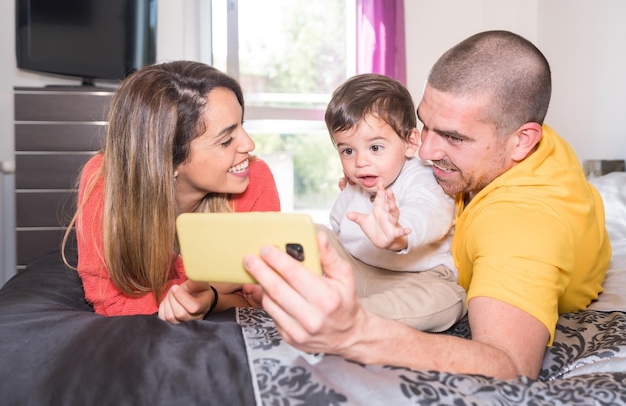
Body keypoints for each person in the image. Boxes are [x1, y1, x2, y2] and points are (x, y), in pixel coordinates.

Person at [241, 30, 611, 379]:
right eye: (426, 125)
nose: (428, 152)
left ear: (522, 142)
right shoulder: (508, 125)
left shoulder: (521, 225)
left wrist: (356, 334)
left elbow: (510, 364)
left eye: (452, 137)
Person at [62, 60, 281, 324]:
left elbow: (259, 300)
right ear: (169, 160)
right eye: (225, 140)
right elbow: (111, 303)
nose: (250, 144)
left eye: (242, 125)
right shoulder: (103, 180)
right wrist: (216, 289)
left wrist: (211, 297)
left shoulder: (254, 178)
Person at [323, 73, 466, 330]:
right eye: (348, 150)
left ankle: (355, 313)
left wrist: (397, 234)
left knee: (447, 300)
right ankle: (323, 296)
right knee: (314, 234)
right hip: (359, 269)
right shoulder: (357, 181)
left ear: (410, 143)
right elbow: (338, 225)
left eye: (375, 148)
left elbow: (429, 214)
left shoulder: (422, 176)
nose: (360, 161)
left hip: (417, 278)